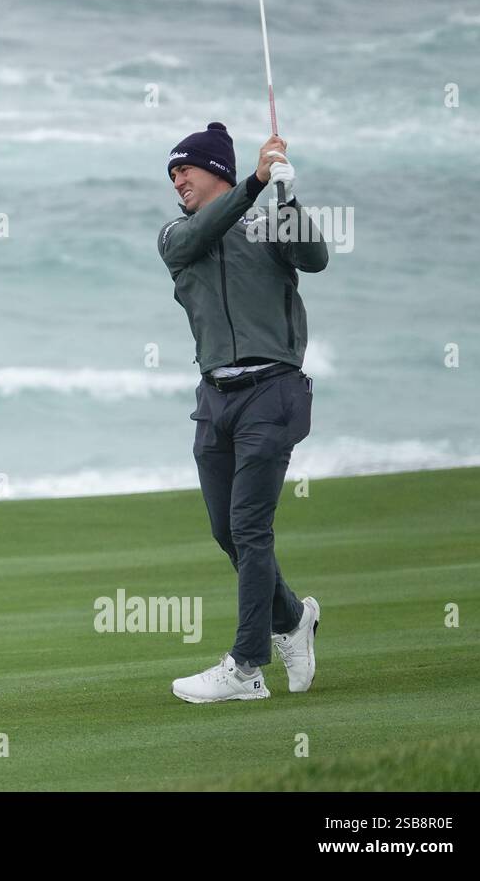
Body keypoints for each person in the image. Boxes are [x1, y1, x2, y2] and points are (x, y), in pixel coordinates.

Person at [157, 123, 328, 703]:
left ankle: (246, 667)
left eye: (186, 167)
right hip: (214, 400)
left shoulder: (268, 221)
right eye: (172, 172)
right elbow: (194, 239)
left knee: (252, 528)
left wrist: (286, 192)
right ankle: (292, 619)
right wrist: (254, 184)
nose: (178, 178)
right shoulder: (178, 234)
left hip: (272, 390)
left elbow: (315, 257)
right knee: (227, 531)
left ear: (216, 171)